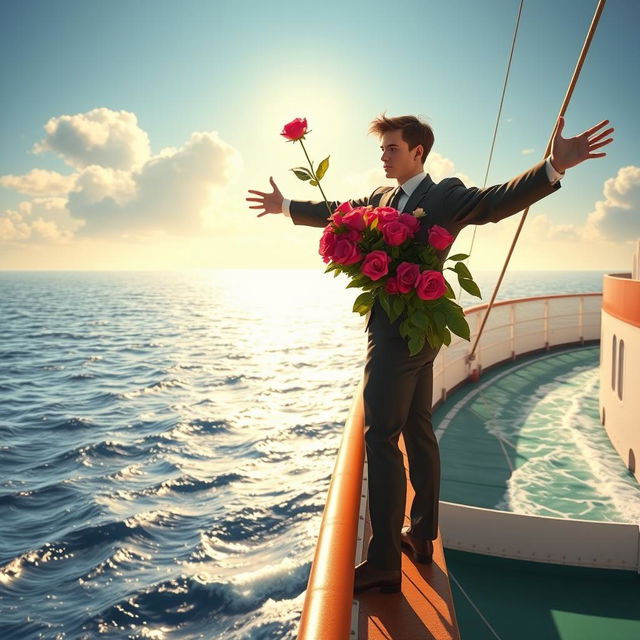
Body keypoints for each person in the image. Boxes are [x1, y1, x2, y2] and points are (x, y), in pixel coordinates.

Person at [246, 113, 613, 594]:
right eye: (382, 149)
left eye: (392, 148)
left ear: (418, 152)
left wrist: (551, 168)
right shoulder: (379, 199)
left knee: (380, 437)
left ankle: (381, 563)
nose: (384, 155)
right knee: (417, 427)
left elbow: (494, 203)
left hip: (406, 333)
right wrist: (286, 206)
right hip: (414, 331)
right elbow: (339, 210)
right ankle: (421, 535)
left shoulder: (443, 195)